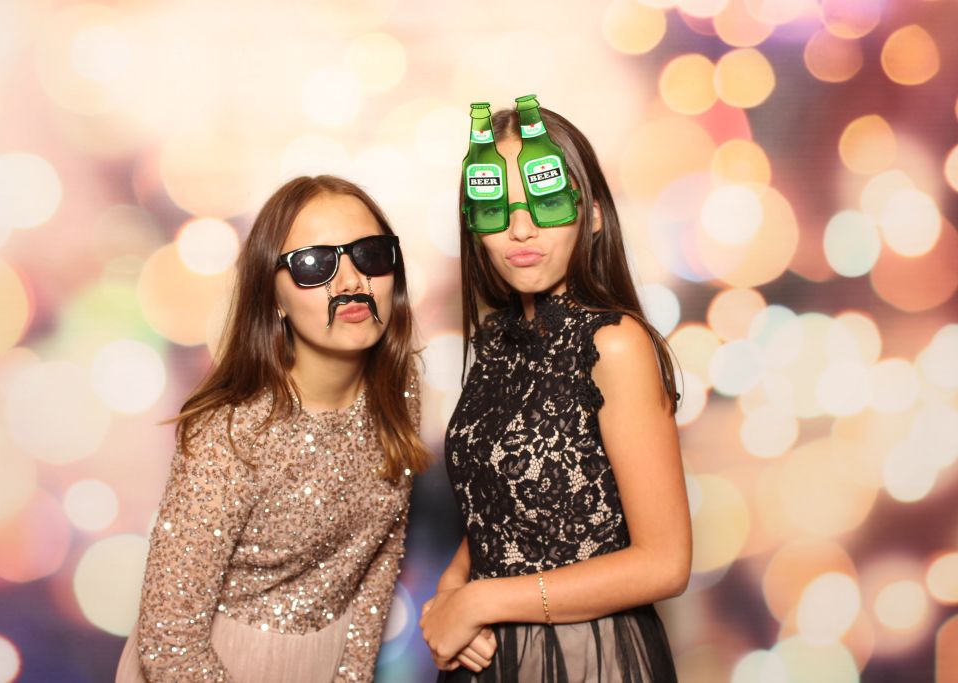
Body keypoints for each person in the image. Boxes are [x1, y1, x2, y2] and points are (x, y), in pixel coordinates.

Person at [420, 97, 691, 682]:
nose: (520, 229)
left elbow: (665, 564)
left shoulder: (614, 344)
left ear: (591, 215)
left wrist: (480, 601)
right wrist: (451, 588)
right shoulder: (497, 341)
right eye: (497, 209)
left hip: (587, 659)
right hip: (491, 658)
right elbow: (505, 500)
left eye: (545, 201)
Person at [115, 175, 427, 683]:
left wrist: (350, 676)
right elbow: (169, 642)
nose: (351, 282)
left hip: (325, 663)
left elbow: (380, 555)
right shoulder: (232, 434)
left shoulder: (399, 387)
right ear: (273, 295)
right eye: (314, 264)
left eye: (370, 254)